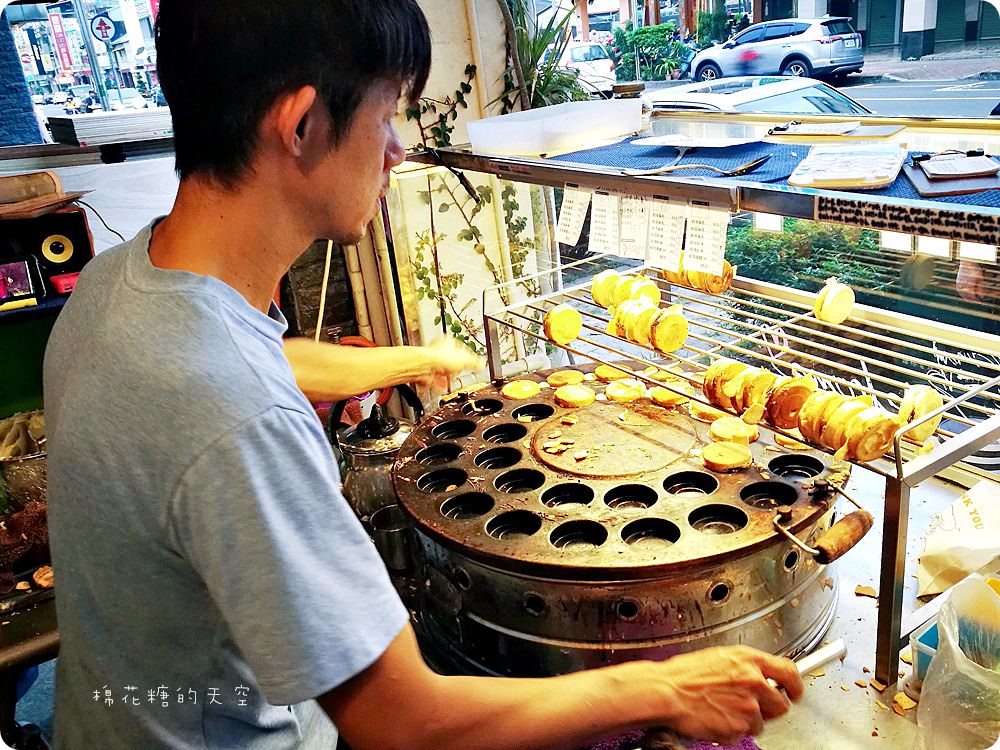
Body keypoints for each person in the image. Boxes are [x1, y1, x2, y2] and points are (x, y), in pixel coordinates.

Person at [43, 2, 804, 748]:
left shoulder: (116, 287)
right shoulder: (236, 417)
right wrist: (659, 686)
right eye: (386, 116)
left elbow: (256, 363)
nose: (398, 150)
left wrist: (418, 359)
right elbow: (404, 722)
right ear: (303, 125)